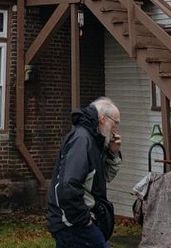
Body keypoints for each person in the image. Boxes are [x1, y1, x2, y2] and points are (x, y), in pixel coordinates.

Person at [47, 97, 122, 248]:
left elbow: (103, 178)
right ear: (102, 119)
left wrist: (113, 153)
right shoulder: (82, 139)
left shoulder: (94, 140)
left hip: (75, 221)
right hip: (72, 223)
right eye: (115, 123)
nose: (116, 130)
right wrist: (84, 220)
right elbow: (68, 185)